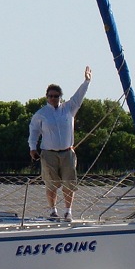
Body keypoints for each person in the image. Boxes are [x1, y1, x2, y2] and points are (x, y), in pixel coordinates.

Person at [28, 66, 92, 222]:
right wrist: (32, 148)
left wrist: (87, 81)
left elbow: (79, 96)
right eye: (50, 96)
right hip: (48, 153)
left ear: (60, 97)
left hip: (67, 152)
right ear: (46, 97)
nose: (53, 98)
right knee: (51, 183)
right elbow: (34, 131)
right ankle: (53, 210)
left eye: (56, 96)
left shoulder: (69, 108)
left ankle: (68, 211)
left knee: (69, 182)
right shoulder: (41, 114)